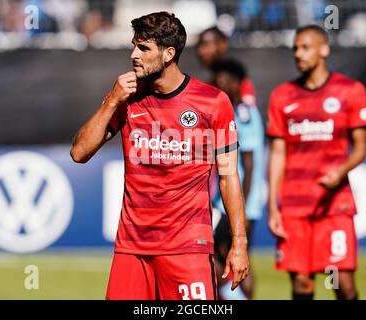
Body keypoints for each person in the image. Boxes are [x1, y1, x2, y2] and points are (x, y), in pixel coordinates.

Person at [70, 11, 249, 300]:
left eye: (143, 48)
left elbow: (228, 177)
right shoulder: (126, 98)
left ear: (168, 54)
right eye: (134, 45)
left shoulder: (213, 103)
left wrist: (238, 244)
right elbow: (79, 152)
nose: (133, 55)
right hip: (132, 248)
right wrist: (112, 101)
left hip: (188, 248)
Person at [267, 24, 366, 300]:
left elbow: (361, 148)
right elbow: (278, 153)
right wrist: (273, 206)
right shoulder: (282, 96)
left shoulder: (350, 91)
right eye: (295, 48)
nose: (298, 54)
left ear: (324, 49)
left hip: (334, 203)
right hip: (294, 204)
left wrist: (341, 170)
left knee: (341, 281)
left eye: (305, 47)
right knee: (301, 283)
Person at [210, 60, 264, 300]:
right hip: (227, 200)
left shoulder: (242, 113)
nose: (220, 85)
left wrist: (243, 207)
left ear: (238, 83)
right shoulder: (230, 110)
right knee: (221, 256)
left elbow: (250, 164)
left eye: (225, 81)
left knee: (235, 256)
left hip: (238, 200)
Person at [197, 26, 257, 106]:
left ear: (222, 45)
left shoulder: (223, 79)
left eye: (205, 45)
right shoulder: (215, 76)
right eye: (198, 46)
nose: (200, 51)